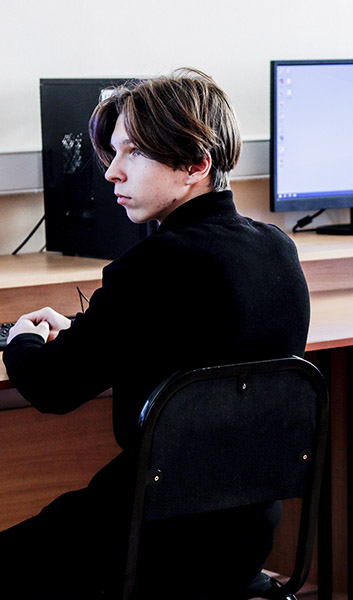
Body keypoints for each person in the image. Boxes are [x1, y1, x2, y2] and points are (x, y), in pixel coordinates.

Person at [0, 68, 311, 599]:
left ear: (195, 164)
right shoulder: (277, 248)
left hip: (145, 540)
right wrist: (92, 332)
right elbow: (181, 340)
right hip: (243, 541)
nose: (111, 173)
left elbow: (52, 387)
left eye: (135, 153)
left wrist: (22, 339)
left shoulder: (154, 265)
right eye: (114, 153)